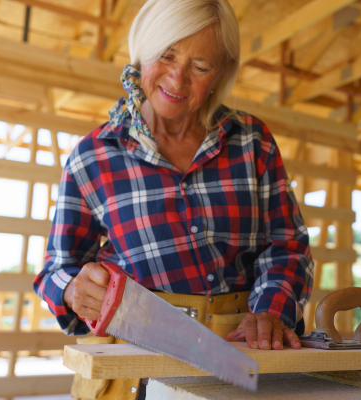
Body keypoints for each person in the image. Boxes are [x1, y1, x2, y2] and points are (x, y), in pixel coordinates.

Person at [34, 0, 313, 396]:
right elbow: (55, 269)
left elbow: (287, 245)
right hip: (132, 370)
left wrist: (270, 310)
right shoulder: (92, 156)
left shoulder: (252, 141)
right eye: (166, 56)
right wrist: (71, 288)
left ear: (220, 74)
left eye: (200, 66)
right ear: (143, 52)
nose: (178, 79)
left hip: (243, 357)